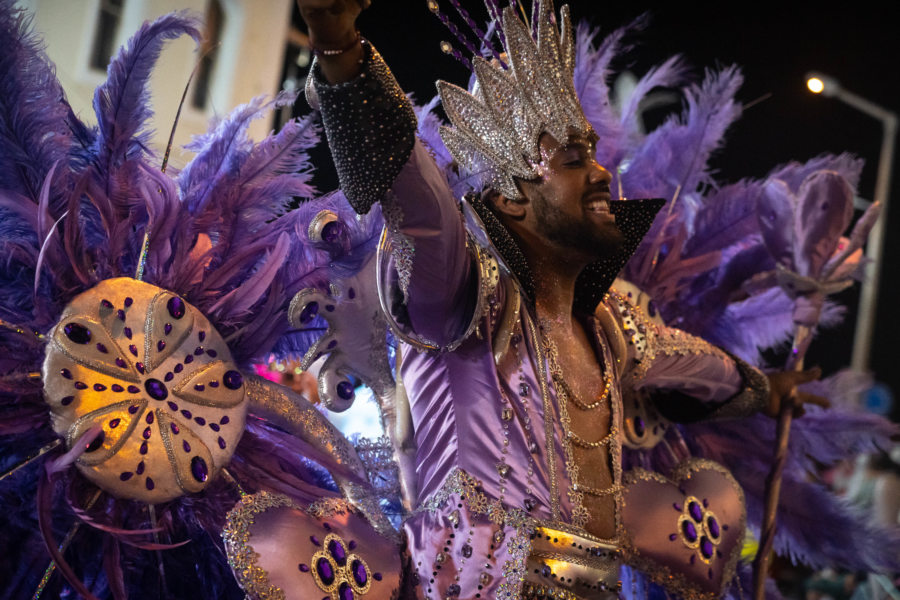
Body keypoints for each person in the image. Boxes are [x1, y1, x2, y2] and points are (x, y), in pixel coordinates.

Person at [295, 1, 827, 598]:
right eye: (574, 161)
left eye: (594, 155)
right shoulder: (463, 298)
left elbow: (696, 365)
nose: (603, 175)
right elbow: (420, 203)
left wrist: (765, 390)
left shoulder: (608, 330)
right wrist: (339, 49)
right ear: (513, 202)